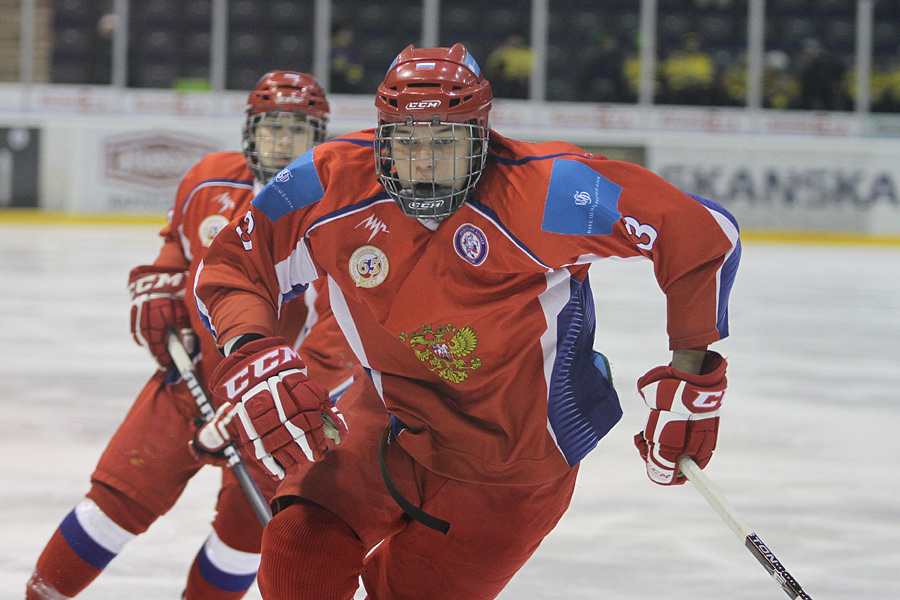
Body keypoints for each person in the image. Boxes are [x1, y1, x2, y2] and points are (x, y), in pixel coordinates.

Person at [193, 44, 741, 600]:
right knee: (298, 555)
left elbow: (702, 231)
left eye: (445, 141)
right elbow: (237, 264)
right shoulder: (331, 180)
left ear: (481, 137)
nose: (424, 160)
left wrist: (692, 371)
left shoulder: (545, 190)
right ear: (382, 138)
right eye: (406, 141)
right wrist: (251, 349)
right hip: (387, 416)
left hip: (515, 461)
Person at [24, 71, 357, 600]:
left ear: (319, 138)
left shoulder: (340, 209)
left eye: (296, 131)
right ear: (250, 131)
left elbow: (340, 333)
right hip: (191, 376)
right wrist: (161, 283)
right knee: (114, 502)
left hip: (278, 408)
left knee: (243, 540)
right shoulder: (209, 178)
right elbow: (177, 247)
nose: (282, 143)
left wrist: (270, 400)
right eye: (272, 129)